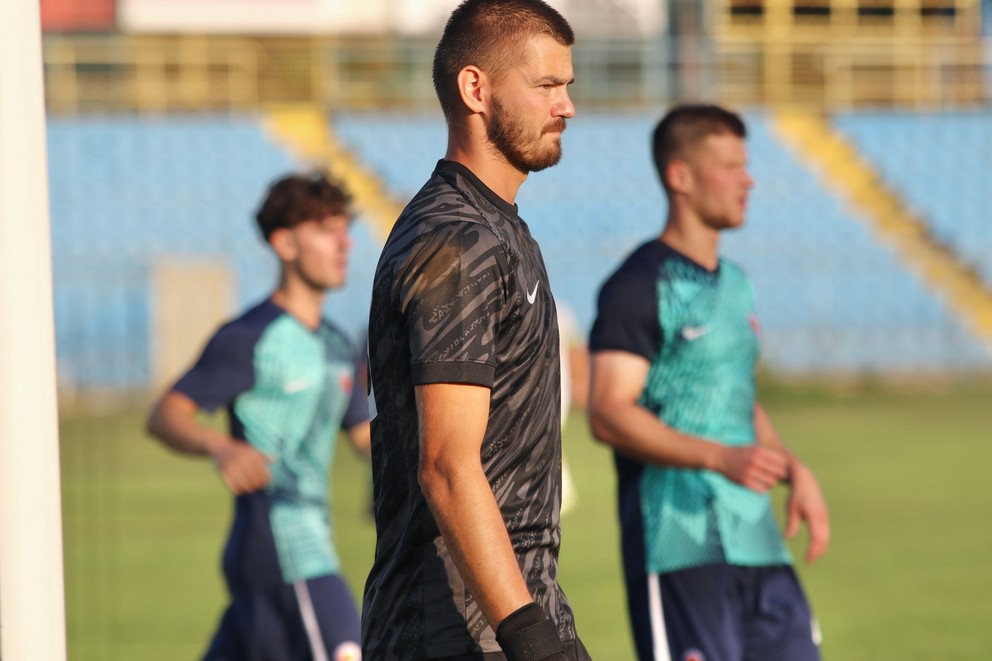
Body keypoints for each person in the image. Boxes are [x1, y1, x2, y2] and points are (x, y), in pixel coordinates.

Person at [360, 1, 590, 659]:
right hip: (456, 630)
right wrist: (530, 637)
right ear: (475, 89)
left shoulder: (501, 230)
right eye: (547, 85)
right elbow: (446, 463)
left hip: (508, 613)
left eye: (567, 86)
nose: (567, 105)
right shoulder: (458, 240)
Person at [587, 104, 830, 661]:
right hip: (679, 545)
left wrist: (795, 469)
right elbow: (607, 411)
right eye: (729, 166)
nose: (749, 179)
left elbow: (737, 398)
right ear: (681, 177)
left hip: (759, 541)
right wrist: (718, 458)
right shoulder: (638, 284)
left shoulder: (739, 284)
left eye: (746, 164)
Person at [146, 172, 369, 661]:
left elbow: (366, 440)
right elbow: (165, 414)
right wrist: (221, 447)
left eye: (345, 228)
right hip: (283, 546)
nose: (344, 242)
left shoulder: (338, 344)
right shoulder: (249, 336)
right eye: (327, 230)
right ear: (284, 243)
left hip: (294, 547)